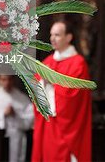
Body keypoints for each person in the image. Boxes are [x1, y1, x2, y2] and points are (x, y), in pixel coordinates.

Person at [32, 21, 92, 162]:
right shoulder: (47, 62)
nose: (52, 38)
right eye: (51, 34)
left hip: (67, 128)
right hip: (47, 126)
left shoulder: (78, 63)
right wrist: (42, 83)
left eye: (57, 35)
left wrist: (52, 82)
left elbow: (74, 97)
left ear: (69, 37)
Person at [0, 75, 34, 162]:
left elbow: (30, 120)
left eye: (9, 79)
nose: (7, 83)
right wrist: (2, 114)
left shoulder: (22, 98)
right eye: (4, 80)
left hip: (16, 138)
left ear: (13, 80)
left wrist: (15, 115)